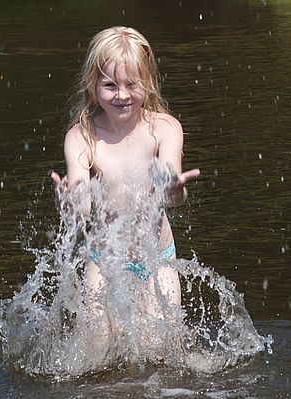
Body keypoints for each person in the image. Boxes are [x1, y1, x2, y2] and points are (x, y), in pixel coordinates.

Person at [50, 26, 199, 358]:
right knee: (96, 351)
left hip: (157, 260)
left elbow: (171, 193)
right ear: (93, 85)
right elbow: (85, 204)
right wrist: (71, 204)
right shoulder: (82, 137)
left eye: (132, 84)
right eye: (110, 85)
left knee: (162, 352)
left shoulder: (164, 129)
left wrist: (174, 190)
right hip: (103, 261)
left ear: (148, 83)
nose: (122, 95)